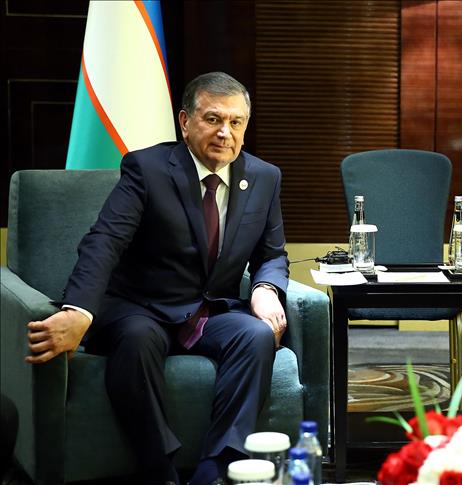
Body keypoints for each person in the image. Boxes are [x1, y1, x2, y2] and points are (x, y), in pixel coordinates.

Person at [25, 72, 290, 485]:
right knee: (136, 340)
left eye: (236, 122)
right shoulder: (147, 168)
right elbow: (105, 240)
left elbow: (272, 254)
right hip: (141, 306)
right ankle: (158, 469)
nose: (225, 132)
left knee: (254, 336)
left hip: (208, 311)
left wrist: (266, 289)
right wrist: (79, 310)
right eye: (213, 119)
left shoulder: (264, 177)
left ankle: (218, 468)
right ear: (185, 121)